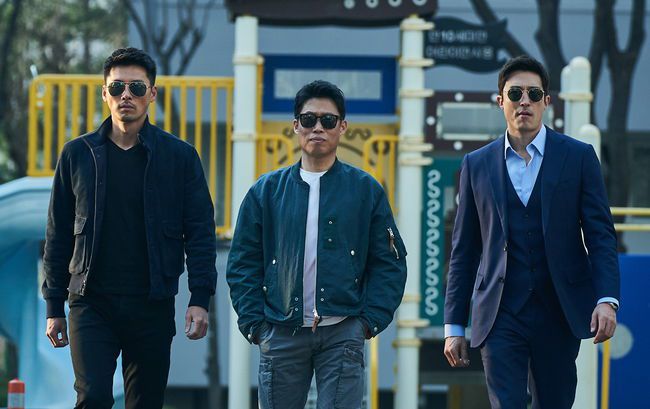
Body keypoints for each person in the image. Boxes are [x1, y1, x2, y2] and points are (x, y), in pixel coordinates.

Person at [42, 47, 217, 409]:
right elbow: (58, 234)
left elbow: (200, 231)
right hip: (90, 301)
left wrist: (200, 299)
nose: (126, 95)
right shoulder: (77, 155)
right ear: (104, 93)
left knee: (145, 403)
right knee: (93, 397)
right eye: (117, 87)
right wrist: (53, 306)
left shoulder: (179, 157)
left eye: (136, 88)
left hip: (151, 303)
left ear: (152, 94)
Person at [443, 55, 620, 408]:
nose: (524, 101)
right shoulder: (476, 164)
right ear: (501, 101)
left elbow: (600, 236)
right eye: (515, 93)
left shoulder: (578, 157)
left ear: (546, 102)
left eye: (534, 94)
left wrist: (606, 299)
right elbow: (464, 251)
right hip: (499, 313)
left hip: (559, 309)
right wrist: (454, 326)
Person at [227, 80, 407, 409]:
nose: (318, 128)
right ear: (296, 125)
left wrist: (367, 323)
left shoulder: (365, 190)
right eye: (309, 119)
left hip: (343, 330)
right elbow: (242, 262)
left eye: (328, 120)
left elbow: (389, 262)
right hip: (280, 330)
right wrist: (256, 326)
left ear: (343, 127)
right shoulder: (266, 191)